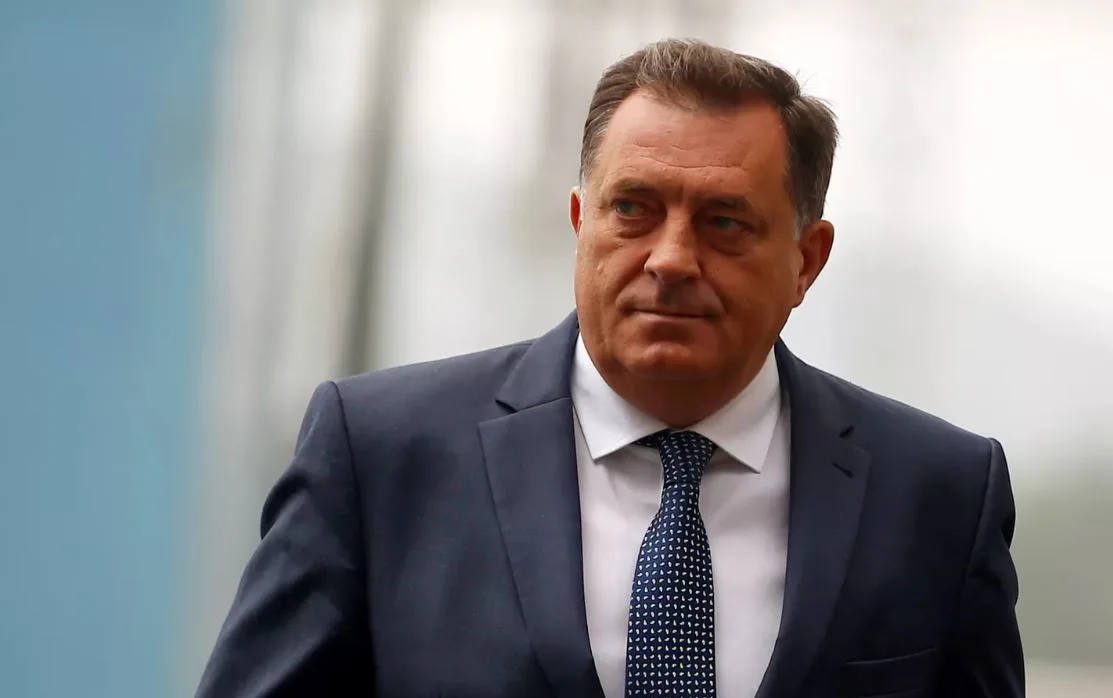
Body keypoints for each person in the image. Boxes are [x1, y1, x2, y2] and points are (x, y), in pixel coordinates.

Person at [196, 39, 1023, 698]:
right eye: (632, 209)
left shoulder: (939, 494)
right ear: (579, 221)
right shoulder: (381, 455)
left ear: (806, 260)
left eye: (724, 222)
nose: (670, 258)